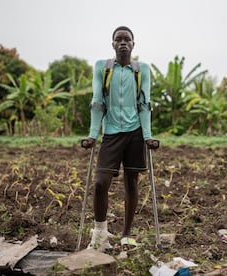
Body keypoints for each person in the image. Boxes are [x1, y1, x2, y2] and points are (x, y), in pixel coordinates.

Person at [81, 26, 159, 252]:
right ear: (113, 44)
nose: (123, 43)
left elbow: (145, 103)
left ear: (134, 44)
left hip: (134, 132)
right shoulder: (102, 68)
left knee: (131, 184)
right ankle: (99, 234)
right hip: (112, 132)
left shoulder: (142, 69)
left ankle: (126, 234)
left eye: (127, 40)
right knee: (99, 184)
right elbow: (97, 101)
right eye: (119, 39)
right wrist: (93, 135)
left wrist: (148, 136)